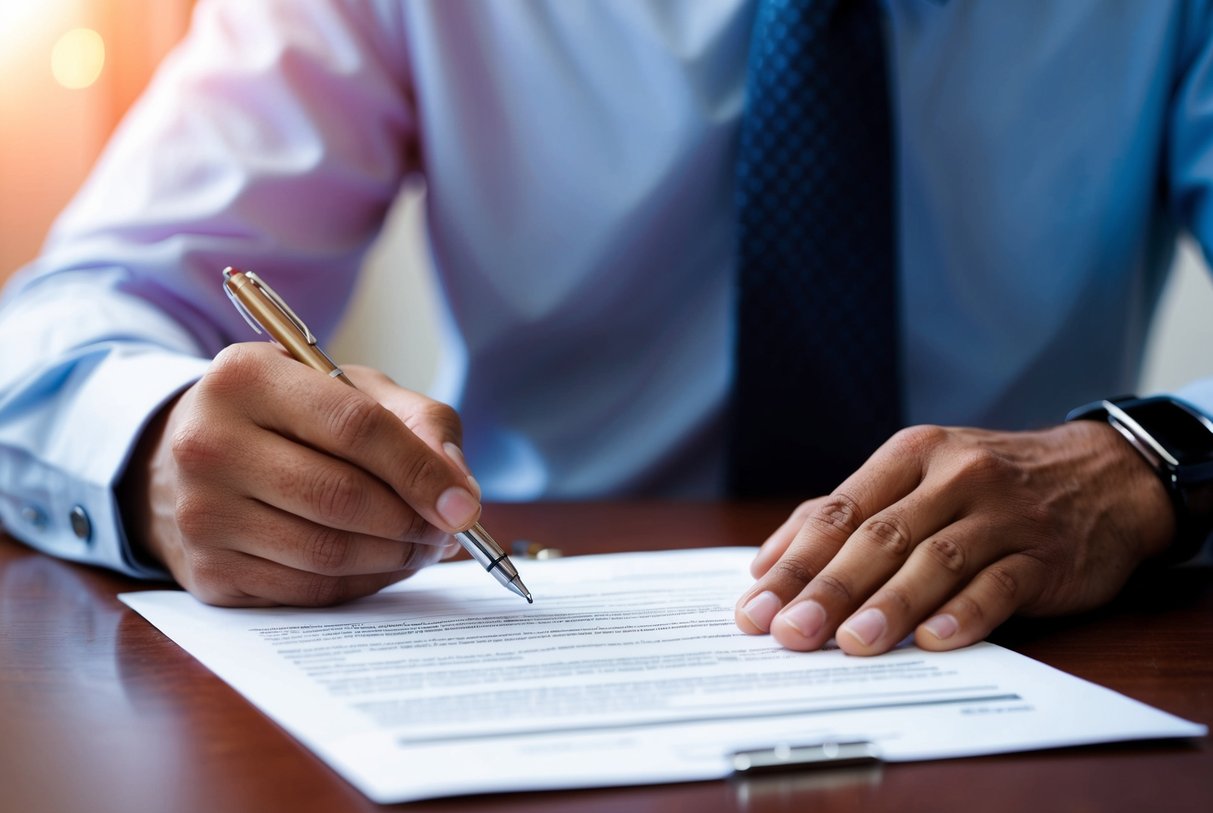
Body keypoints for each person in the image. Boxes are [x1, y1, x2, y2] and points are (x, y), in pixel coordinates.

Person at [1, 1, 1211, 657]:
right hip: (529, 624)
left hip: (1027, 639)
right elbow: (67, 317)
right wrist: (156, 444)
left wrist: (1154, 462)